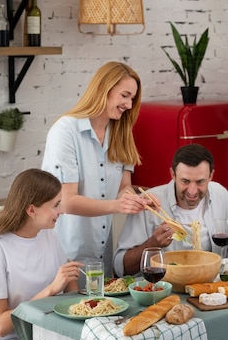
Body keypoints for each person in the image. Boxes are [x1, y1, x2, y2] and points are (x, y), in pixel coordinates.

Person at [41, 61, 152, 278]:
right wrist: (119, 205)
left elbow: (124, 188)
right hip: (66, 256)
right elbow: (66, 201)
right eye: (125, 95)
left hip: (103, 257)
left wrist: (137, 199)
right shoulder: (66, 131)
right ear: (104, 89)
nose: (129, 105)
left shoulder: (121, 132)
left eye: (132, 98)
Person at [0, 169, 81, 340]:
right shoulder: (0, 248)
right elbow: (0, 326)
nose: (61, 211)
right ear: (32, 209)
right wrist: (51, 290)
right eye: (55, 205)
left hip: (47, 334)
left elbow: (69, 281)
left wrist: (78, 291)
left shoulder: (48, 234)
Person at [113, 143, 228, 276]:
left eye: (200, 182)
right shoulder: (149, 203)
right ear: (173, 174)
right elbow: (121, 267)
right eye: (185, 181)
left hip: (211, 287)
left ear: (211, 176)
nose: (192, 191)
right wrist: (152, 244)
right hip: (164, 288)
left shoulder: (221, 196)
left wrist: (227, 274)